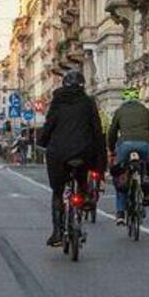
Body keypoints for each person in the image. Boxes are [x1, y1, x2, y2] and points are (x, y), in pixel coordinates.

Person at [38, 69, 106, 247]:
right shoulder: (88, 102)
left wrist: (42, 141)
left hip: (58, 154)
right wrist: (100, 160)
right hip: (83, 153)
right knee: (81, 178)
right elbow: (97, 131)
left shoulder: (58, 102)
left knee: (58, 192)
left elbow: (49, 126)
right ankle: (83, 198)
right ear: (82, 85)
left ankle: (57, 233)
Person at [108, 88, 149, 224]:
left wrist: (111, 148)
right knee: (145, 165)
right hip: (144, 144)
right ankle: (146, 185)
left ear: (125, 99)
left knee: (120, 175)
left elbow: (112, 131)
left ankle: (120, 213)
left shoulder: (120, 111)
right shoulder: (145, 110)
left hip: (125, 145)